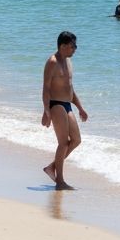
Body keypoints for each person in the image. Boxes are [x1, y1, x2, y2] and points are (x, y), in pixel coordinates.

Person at [41, 31, 88, 190]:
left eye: (75, 46)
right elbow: (46, 88)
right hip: (56, 104)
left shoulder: (68, 62)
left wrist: (80, 107)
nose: (75, 49)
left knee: (76, 140)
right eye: (73, 46)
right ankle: (60, 181)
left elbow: (70, 88)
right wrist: (46, 111)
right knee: (63, 143)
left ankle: (51, 167)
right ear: (63, 46)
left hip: (67, 104)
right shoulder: (52, 62)